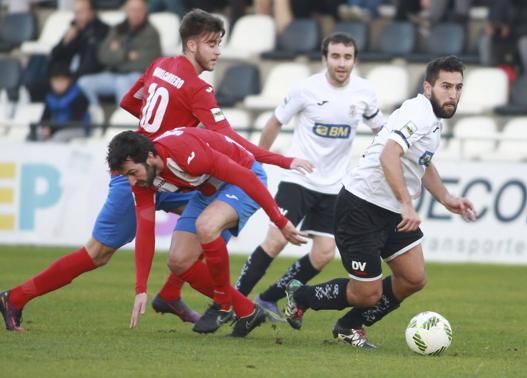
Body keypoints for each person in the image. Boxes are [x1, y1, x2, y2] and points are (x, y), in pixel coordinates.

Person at [0, 9, 309, 333]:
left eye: (220, 44)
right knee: (99, 252)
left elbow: (128, 102)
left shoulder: (160, 64)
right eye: (212, 44)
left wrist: (166, 131)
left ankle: (184, 296)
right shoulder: (197, 89)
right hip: (147, 172)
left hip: (165, 168)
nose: (218, 51)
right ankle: (16, 297)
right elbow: (230, 139)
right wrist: (280, 160)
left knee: (210, 228)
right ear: (192, 45)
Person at [282, 55, 477, 349]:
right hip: (361, 206)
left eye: (458, 87)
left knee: (413, 278)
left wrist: (446, 198)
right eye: (445, 86)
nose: (452, 94)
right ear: (427, 87)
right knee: (367, 294)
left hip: (392, 211)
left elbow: (422, 162)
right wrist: (407, 204)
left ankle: (349, 326)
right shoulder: (418, 113)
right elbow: (389, 155)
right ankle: (301, 296)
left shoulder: (434, 119)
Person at [235, 32, 385, 321]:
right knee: (276, 241)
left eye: (347, 57)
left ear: (355, 60)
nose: (341, 63)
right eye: (336, 56)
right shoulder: (306, 90)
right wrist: (258, 162)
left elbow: (382, 130)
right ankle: (232, 302)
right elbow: (275, 122)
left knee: (324, 254)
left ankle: (268, 299)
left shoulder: (364, 93)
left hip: (335, 187)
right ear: (324, 58)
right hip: (299, 180)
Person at [107, 128, 307, 337]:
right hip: (209, 191)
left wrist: (280, 221)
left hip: (244, 179)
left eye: (132, 173)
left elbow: (246, 177)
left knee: (206, 226)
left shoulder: (184, 153)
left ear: (149, 156)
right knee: (178, 261)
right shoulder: (143, 180)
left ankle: (222, 305)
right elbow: (145, 230)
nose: (131, 182)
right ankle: (248, 312)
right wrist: (141, 289)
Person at [78, 0, 162, 106]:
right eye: (132, 10)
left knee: (121, 81)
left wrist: (117, 55)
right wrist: (127, 55)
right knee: (84, 82)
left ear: (145, 11)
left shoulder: (151, 32)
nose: (135, 13)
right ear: (126, 10)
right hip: (114, 74)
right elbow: (103, 55)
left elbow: (147, 62)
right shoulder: (118, 29)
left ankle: (122, 118)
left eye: (139, 10)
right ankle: (95, 114)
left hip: (138, 77)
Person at [50, 0, 109, 80]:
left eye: (81, 12)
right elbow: (54, 55)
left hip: (87, 78)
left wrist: (71, 79)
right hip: (66, 77)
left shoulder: (101, 30)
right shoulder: (74, 29)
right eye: (75, 13)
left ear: (92, 12)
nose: (77, 16)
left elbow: (92, 64)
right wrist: (65, 42)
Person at [34, 63, 91, 142]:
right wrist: (46, 127)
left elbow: (74, 121)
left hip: (76, 129)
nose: (58, 84)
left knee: (59, 137)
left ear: (69, 80)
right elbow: (44, 118)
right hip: (55, 128)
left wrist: (52, 129)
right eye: (55, 81)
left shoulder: (79, 96)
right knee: (38, 134)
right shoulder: (50, 97)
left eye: (61, 81)